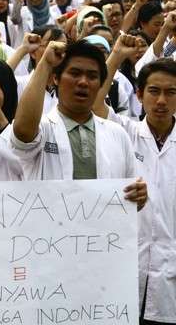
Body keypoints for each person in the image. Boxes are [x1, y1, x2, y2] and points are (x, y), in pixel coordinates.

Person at [91, 37, 176, 325]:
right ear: (139, 95)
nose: (161, 100)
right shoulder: (123, 131)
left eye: (170, 93)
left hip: (170, 278)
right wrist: (115, 56)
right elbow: (94, 104)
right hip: (126, 272)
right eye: (153, 91)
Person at [10, 39, 147, 206]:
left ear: (101, 85)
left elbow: (132, 197)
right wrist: (46, 63)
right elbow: (22, 131)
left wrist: (139, 197)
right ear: (56, 79)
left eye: (92, 76)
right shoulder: (43, 129)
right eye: (74, 73)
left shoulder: (118, 134)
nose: (83, 82)